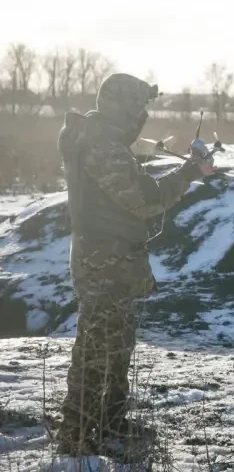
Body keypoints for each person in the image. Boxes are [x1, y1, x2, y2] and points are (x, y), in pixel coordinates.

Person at [55, 73, 214, 455]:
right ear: (121, 107)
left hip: (112, 259)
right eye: (138, 106)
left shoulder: (102, 140)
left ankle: (110, 421)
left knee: (118, 342)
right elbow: (143, 198)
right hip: (102, 262)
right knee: (96, 347)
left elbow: (134, 188)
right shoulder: (100, 144)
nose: (141, 115)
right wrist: (191, 171)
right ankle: (76, 436)